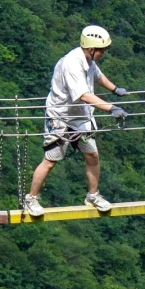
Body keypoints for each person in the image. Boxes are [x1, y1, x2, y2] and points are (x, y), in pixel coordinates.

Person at [22, 25, 129, 218]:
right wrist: (111, 107)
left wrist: (115, 89)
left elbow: (97, 76)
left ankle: (93, 196)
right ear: (91, 48)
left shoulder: (89, 60)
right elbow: (83, 95)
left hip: (80, 118)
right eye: (101, 50)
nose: (103, 53)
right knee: (51, 160)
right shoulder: (72, 63)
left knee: (92, 156)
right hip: (61, 118)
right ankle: (31, 199)